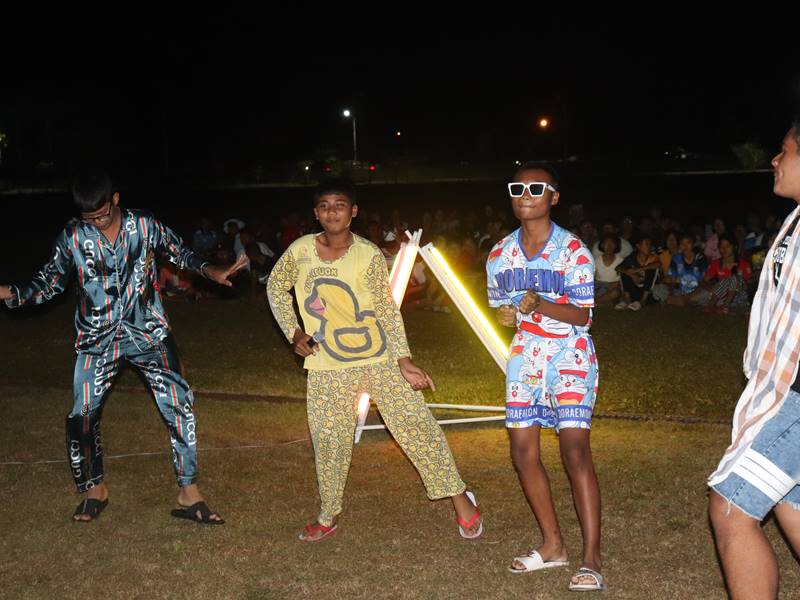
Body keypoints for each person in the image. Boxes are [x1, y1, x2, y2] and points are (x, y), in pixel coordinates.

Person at [0, 170, 246, 523]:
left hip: (149, 334)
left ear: (115, 199)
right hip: (97, 340)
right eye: (89, 218)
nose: (97, 223)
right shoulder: (73, 236)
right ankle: (94, 489)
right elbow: (48, 283)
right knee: (82, 415)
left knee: (179, 406)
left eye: (102, 215)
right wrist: (8, 292)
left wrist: (211, 271)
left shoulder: (143, 225)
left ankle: (189, 493)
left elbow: (180, 253)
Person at [266, 178, 483, 543]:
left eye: (340, 205)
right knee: (329, 439)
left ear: (353, 211)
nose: (332, 212)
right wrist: (294, 332)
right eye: (324, 206)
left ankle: (461, 499)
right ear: (316, 213)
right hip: (326, 362)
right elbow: (275, 286)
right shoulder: (301, 250)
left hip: (378, 357)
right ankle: (328, 513)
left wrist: (403, 359)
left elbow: (385, 308)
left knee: (416, 426)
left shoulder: (367, 254)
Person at [487, 162, 604, 592]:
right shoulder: (499, 254)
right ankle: (553, 545)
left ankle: (591, 557)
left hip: (570, 353)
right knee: (522, 451)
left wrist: (540, 304)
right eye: (517, 187)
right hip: (525, 356)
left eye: (536, 188)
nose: (525, 195)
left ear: (554, 197)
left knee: (575, 450)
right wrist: (507, 316)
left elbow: (583, 316)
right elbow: (503, 308)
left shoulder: (573, 251)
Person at [708, 120, 800, 599]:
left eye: (784, 151)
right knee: (789, 504)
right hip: (778, 386)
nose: (775, 160)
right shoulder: (796, 218)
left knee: (732, 508)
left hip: (796, 395)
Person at [615, 234, 661, 311]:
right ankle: (628, 301)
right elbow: (618, 268)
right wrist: (631, 274)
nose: (649, 247)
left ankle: (643, 301)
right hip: (635, 291)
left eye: (650, 244)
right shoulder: (632, 257)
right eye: (646, 244)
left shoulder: (653, 257)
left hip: (649, 293)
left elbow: (658, 264)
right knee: (625, 271)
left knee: (650, 270)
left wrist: (637, 270)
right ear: (638, 246)